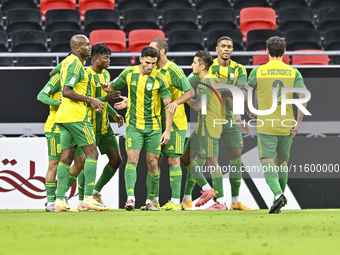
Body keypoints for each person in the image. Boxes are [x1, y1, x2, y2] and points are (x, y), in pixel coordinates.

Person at [101, 46, 174, 211]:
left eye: (154, 64)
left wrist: (167, 130)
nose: (150, 67)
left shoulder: (160, 79)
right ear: (140, 59)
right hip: (134, 126)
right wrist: (107, 86)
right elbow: (112, 86)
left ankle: (150, 201)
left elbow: (168, 106)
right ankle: (130, 199)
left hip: (154, 128)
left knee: (153, 163)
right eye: (147, 63)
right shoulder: (129, 73)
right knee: (132, 160)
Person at [245, 36, 308, 213]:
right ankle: (277, 199)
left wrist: (250, 109)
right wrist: (298, 122)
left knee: (267, 161)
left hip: (266, 123)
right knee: (282, 163)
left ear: (267, 51)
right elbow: (303, 98)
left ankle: (278, 194)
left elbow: (246, 92)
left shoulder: (258, 71)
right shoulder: (293, 72)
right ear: (284, 52)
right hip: (286, 124)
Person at [53, 34, 109, 212]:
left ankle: (60, 200)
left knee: (66, 158)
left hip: (63, 117)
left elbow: (52, 73)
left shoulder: (67, 61)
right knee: (92, 154)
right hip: (76, 116)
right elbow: (67, 91)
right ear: (77, 48)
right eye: (86, 45)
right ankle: (87, 199)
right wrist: (91, 99)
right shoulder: (76, 64)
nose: (89, 47)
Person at [207, 36, 252, 210]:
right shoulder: (208, 66)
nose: (226, 49)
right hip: (211, 118)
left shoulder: (239, 69)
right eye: (223, 46)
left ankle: (235, 201)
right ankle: (220, 201)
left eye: (229, 47)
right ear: (217, 49)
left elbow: (238, 93)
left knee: (236, 157)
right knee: (212, 159)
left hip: (231, 119)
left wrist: (224, 89)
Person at [181, 51, 229, 210]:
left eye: (194, 62)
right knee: (185, 157)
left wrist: (183, 97)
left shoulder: (206, 81)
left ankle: (219, 201)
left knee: (212, 162)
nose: (192, 65)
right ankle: (188, 199)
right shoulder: (208, 79)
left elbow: (198, 106)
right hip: (203, 126)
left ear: (202, 66)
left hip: (209, 126)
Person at [79, 43, 124, 209]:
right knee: (86, 162)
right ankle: (83, 199)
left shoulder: (105, 74)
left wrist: (114, 114)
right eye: (106, 57)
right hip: (89, 126)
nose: (108, 60)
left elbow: (103, 99)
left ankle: (96, 192)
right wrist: (107, 98)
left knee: (116, 160)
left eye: (109, 57)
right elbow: (90, 101)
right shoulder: (85, 75)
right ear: (95, 58)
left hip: (104, 127)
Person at [37, 69, 85, 212]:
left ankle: (60, 196)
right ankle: (51, 202)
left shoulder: (78, 78)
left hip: (72, 125)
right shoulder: (58, 78)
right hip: (56, 126)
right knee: (54, 164)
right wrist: (56, 102)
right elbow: (41, 95)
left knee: (81, 161)